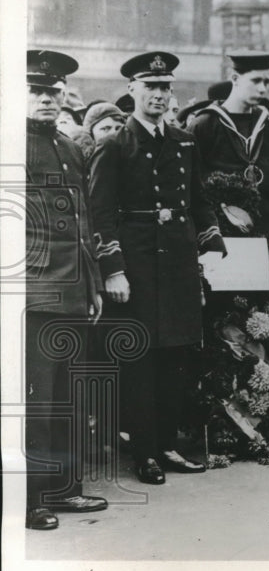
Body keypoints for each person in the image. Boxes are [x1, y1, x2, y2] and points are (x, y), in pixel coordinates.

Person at [89, 51, 227, 485]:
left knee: (176, 356)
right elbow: (100, 213)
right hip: (137, 265)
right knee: (141, 359)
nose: (159, 95)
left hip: (179, 264)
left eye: (165, 87)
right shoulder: (115, 144)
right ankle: (145, 452)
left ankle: (167, 445)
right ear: (132, 91)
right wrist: (113, 269)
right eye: (150, 87)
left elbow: (199, 199)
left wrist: (211, 240)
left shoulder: (184, 141)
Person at [24, 50, 107, 530]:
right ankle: (31, 497)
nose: (47, 100)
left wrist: (93, 284)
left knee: (68, 398)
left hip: (73, 291)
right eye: (36, 91)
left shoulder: (71, 146)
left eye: (53, 92)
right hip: (32, 293)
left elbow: (83, 224)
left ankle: (64, 490)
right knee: (36, 401)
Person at [188, 51, 269, 232]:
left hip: (262, 231)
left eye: (266, 82)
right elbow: (192, 187)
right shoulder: (205, 125)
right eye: (256, 81)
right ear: (235, 78)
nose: (263, 89)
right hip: (218, 231)